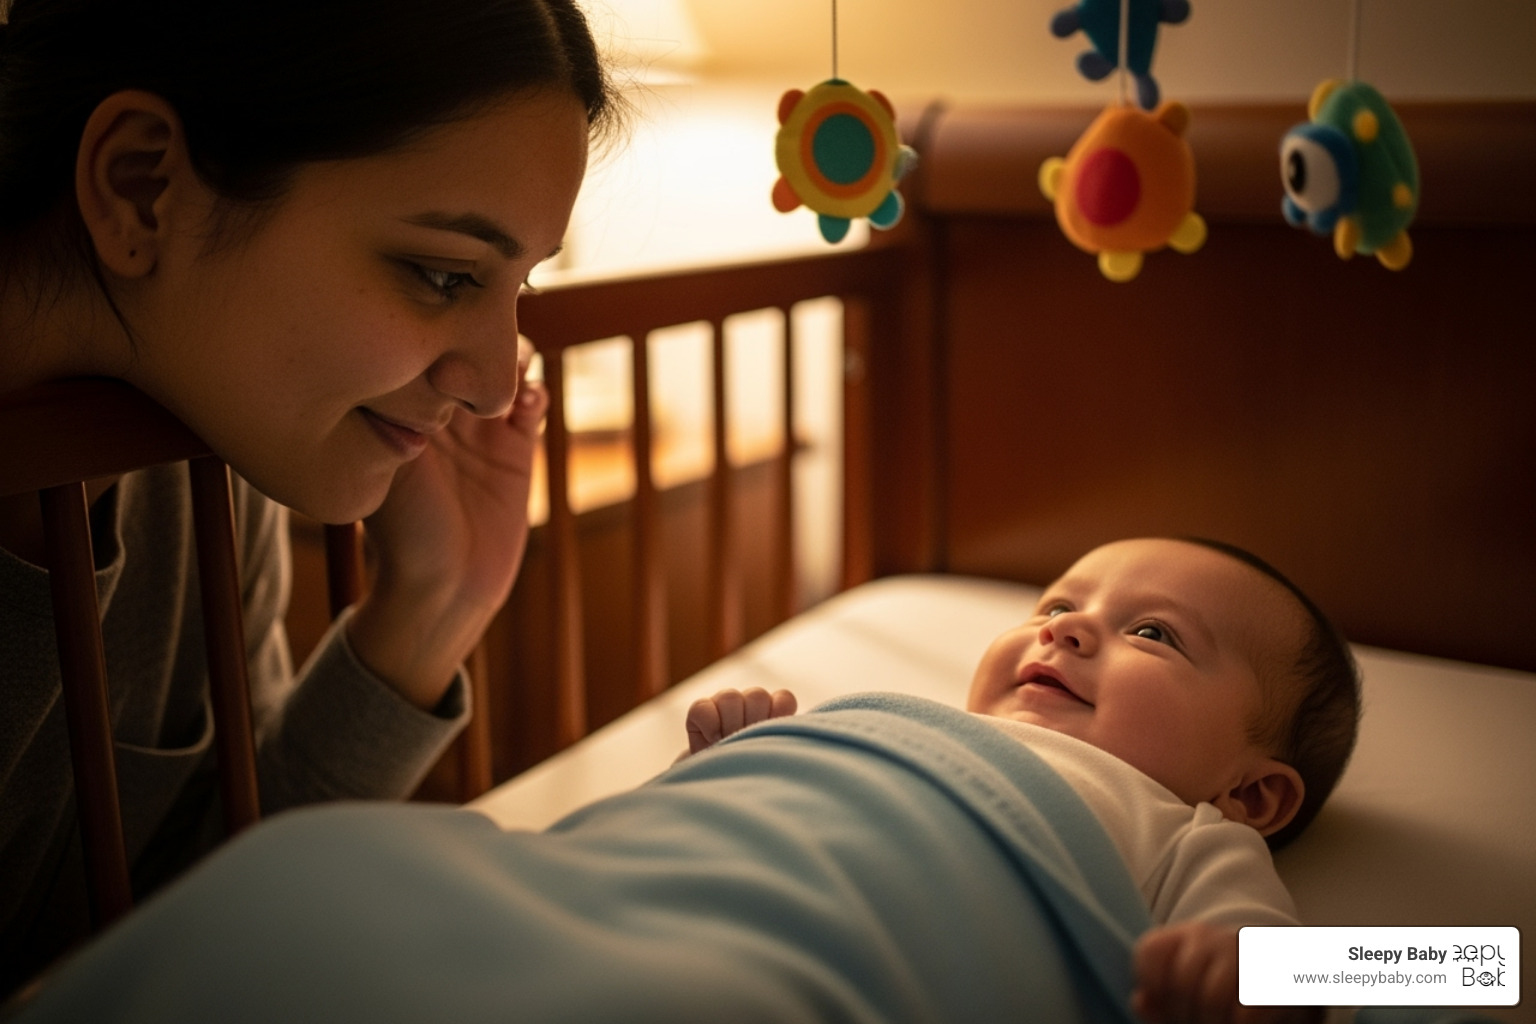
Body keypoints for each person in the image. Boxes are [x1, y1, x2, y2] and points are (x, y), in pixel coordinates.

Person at [0, 0, 618, 994]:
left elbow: (215, 899)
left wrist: (432, 605)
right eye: (441, 273)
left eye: (519, 292)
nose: (498, 384)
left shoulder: (203, 462)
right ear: (141, 186)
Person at [683, 537, 1361, 1024]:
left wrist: (1235, 978)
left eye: (1153, 632)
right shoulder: (891, 714)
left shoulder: (1185, 833)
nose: (1066, 629)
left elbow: (1275, 960)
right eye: (1055, 606)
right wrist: (721, 761)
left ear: (1249, 795)